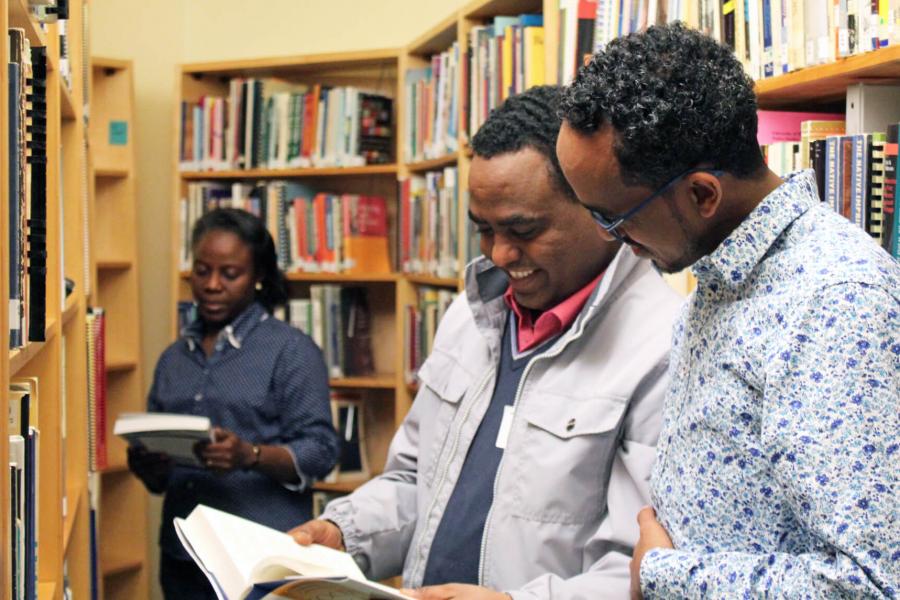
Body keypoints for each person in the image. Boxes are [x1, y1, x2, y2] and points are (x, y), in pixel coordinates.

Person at [289, 85, 683, 599]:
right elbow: (415, 481)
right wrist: (344, 534)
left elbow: (640, 568)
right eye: (484, 230)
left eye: (523, 230)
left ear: (599, 212)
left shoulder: (663, 348)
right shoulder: (469, 315)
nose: (499, 255)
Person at [556, 22, 900, 599]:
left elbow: (872, 584)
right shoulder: (721, 271)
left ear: (701, 196)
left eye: (613, 218)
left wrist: (664, 575)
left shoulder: (834, 305)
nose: (611, 238)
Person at [127, 208, 339, 599]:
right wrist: (149, 465)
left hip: (260, 559)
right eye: (202, 270)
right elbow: (159, 478)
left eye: (229, 274)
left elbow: (322, 452)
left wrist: (251, 455)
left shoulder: (290, 352)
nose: (211, 285)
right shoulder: (173, 358)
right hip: (183, 556)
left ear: (257, 278)